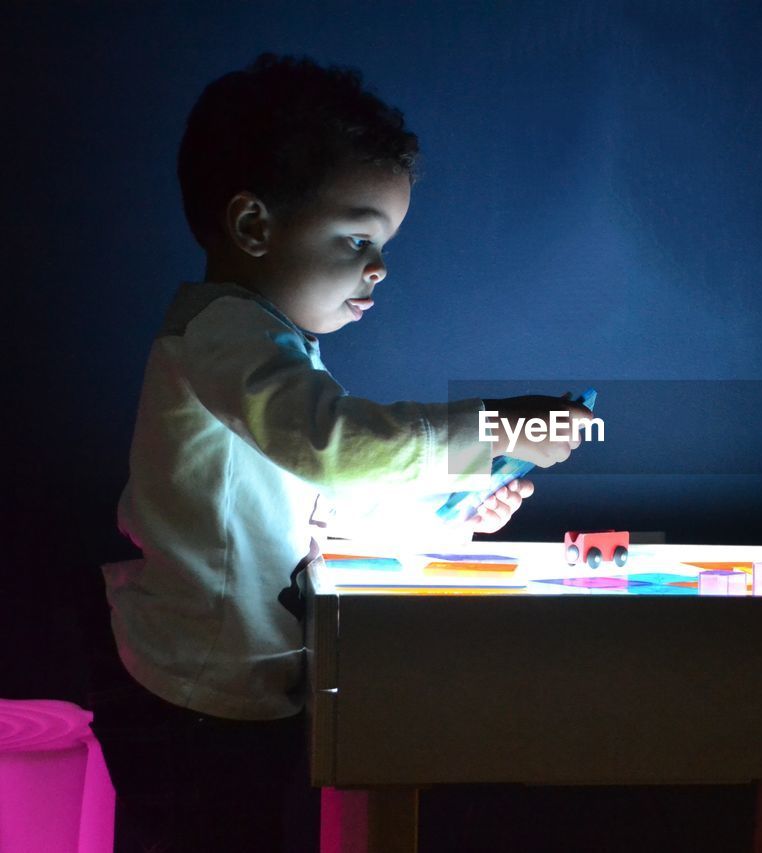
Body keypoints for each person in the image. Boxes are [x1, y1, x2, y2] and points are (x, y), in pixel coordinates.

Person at [89, 52, 591, 853]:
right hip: (190, 697)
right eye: (358, 235)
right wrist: (494, 426)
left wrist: (451, 513)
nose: (381, 265)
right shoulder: (223, 334)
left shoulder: (271, 351)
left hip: (232, 689)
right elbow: (338, 448)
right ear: (254, 226)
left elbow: (330, 505)